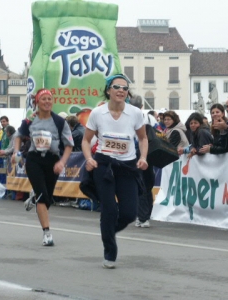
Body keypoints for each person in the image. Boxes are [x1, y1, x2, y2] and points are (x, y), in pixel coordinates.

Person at [81, 74, 148, 269]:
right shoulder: (97, 113)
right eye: (116, 86)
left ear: (128, 93)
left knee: (129, 213)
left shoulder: (135, 113)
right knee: (109, 210)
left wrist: (143, 157)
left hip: (127, 166)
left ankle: (107, 231)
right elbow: (85, 140)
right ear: (108, 90)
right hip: (104, 165)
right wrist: (89, 159)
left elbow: (143, 139)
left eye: (125, 88)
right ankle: (110, 251)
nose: (121, 90)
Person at [12, 88, 74, 246]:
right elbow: (18, 136)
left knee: (47, 199)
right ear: (37, 102)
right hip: (34, 160)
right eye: (44, 99)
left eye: (49, 99)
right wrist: (16, 152)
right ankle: (47, 233)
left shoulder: (60, 122)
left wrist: (62, 162)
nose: (47, 102)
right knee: (43, 197)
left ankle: (34, 197)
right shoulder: (30, 121)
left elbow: (69, 145)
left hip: (52, 161)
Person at [128, 94, 155, 229]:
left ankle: (143, 217)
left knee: (142, 187)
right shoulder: (150, 118)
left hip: (138, 154)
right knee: (147, 186)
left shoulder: (130, 118)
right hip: (149, 154)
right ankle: (145, 215)